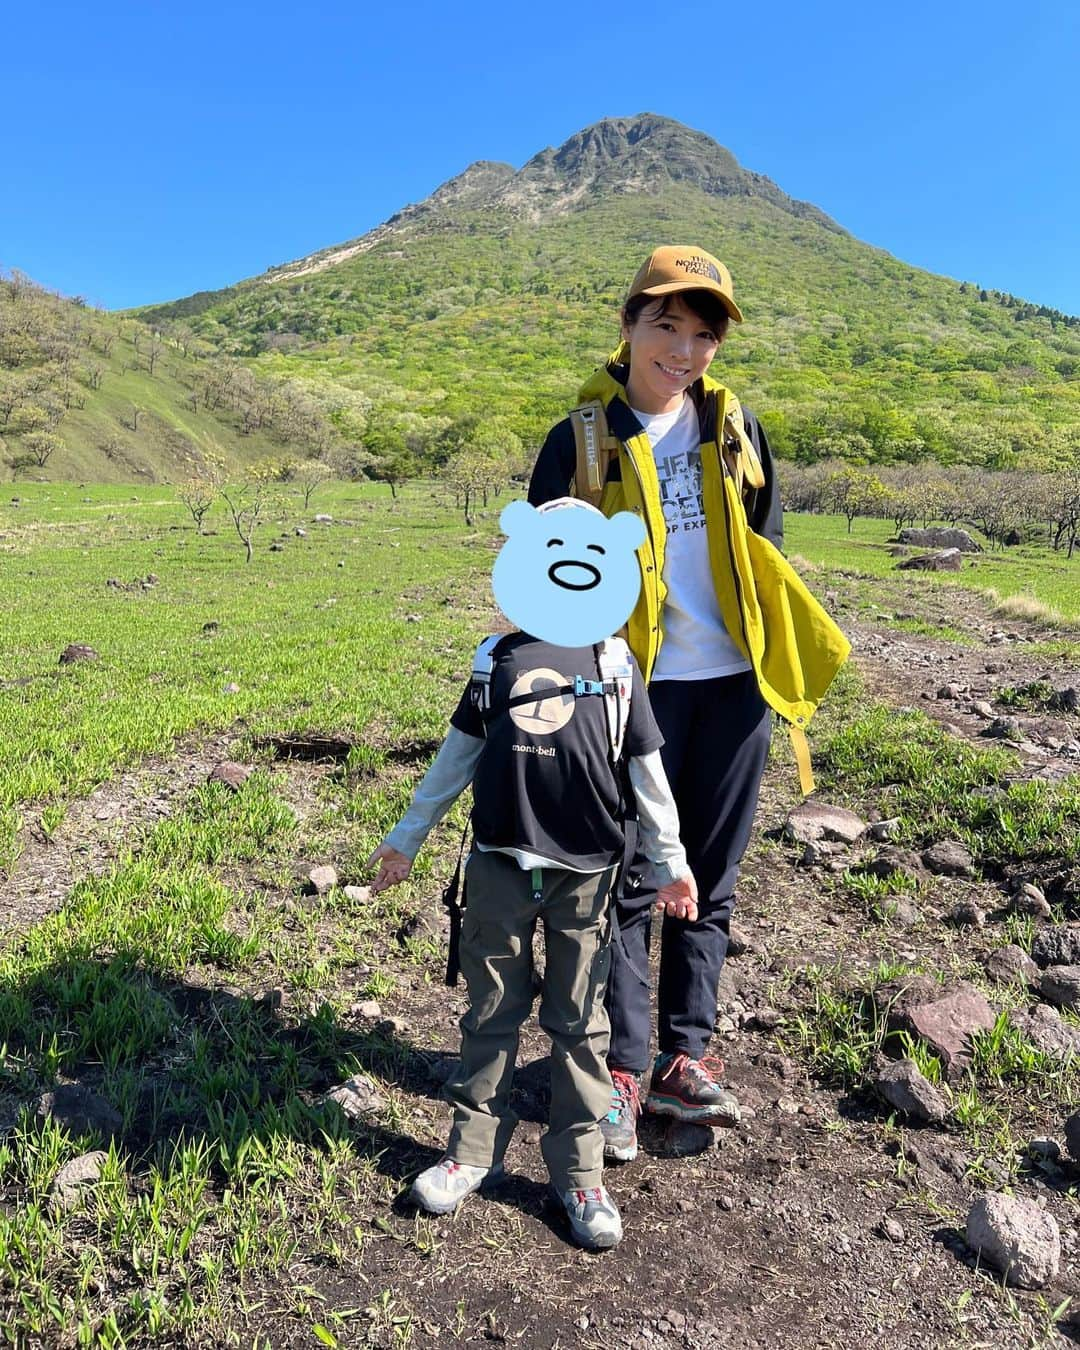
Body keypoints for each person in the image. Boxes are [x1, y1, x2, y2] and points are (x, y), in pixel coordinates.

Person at [528, 245, 849, 1163]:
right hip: (633, 689)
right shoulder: (579, 440)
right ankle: (625, 1071)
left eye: (702, 333)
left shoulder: (739, 431)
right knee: (633, 875)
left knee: (708, 876)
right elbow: (550, 581)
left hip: (735, 689)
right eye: (665, 324)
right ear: (627, 324)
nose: (683, 348)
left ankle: (685, 1056)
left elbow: (767, 549)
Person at [367, 497, 700, 1250]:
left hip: (587, 876)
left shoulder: (614, 666)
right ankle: (468, 1154)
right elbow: (454, 762)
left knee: (580, 1026)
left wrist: (672, 864)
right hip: (498, 868)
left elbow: (649, 780)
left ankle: (580, 1175)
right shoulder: (496, 660)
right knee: (490, 1014)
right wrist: (406, 839)